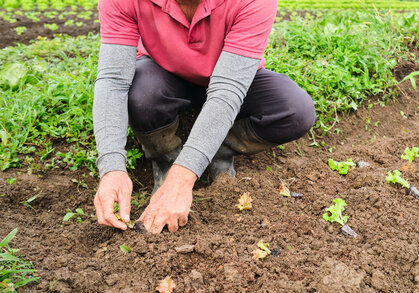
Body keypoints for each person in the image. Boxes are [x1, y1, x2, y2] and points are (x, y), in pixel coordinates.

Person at [93, 0, 316, 234]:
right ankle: (166, 160)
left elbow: (227, 91)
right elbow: (114, 80)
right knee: (142, 96)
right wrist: (111, 167)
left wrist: (182, 179)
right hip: (164, 77)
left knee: (295, 110)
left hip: (230, 78)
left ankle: (217, 149)